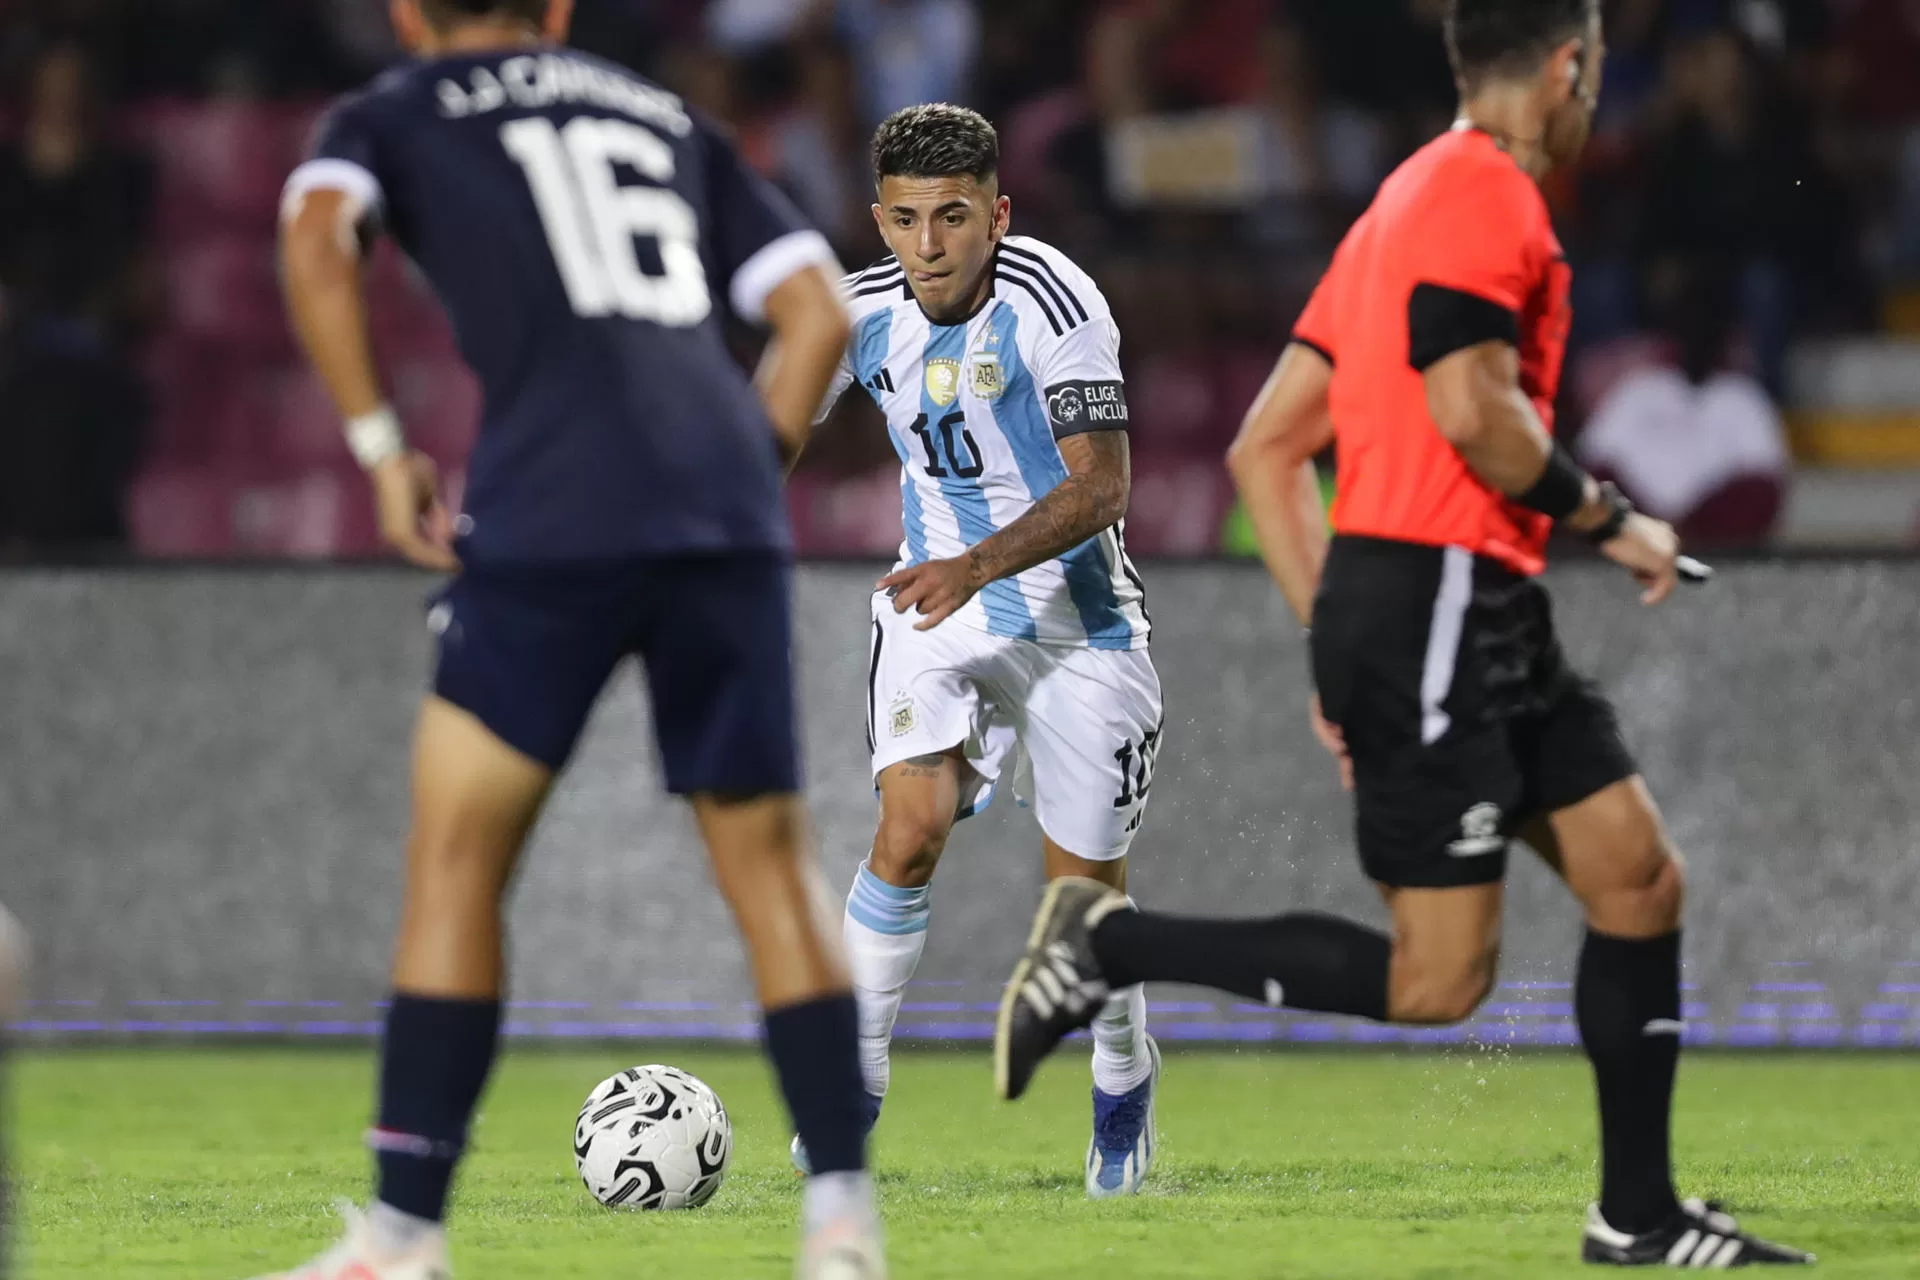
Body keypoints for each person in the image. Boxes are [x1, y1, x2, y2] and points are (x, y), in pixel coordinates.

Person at [994, 0, 1812, 1267]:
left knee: (1637, 878)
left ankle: (1637, 1215)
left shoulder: (1399, 208)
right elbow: (1474, 409)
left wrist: (1341, 646)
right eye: (1591, 73)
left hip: (1444, 609)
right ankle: (1113, 942)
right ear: (1566, 67)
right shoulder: (1490, 195)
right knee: (1443, 979)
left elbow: (1267, 449)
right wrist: (1611, 516)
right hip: (1435, 599)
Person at [271, 2, 882, 1277]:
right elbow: (819, 312)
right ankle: (841, 1225)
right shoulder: (664, 114)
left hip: (553, 502)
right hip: (717, 505)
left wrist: (383, 450)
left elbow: (315, 235)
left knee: (457, 857)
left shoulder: (391, 113)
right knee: (772, 865)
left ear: (404, 11)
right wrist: (728, 481)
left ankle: (402, 1235)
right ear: (554, 9)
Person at [791, 104, 1163, 1199]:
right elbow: (763, 434)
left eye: (954, 216)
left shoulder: (1058, 301)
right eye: (905, 220)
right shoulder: (856, 313)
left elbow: (1103, 484)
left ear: (998, 214)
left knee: (1080, 910)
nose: (930, 244)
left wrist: (980, 567)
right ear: (879, 219)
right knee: (906, 830)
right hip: (932, 603)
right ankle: (846, 1095)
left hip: (1076, 623)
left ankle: (1122, 1070)